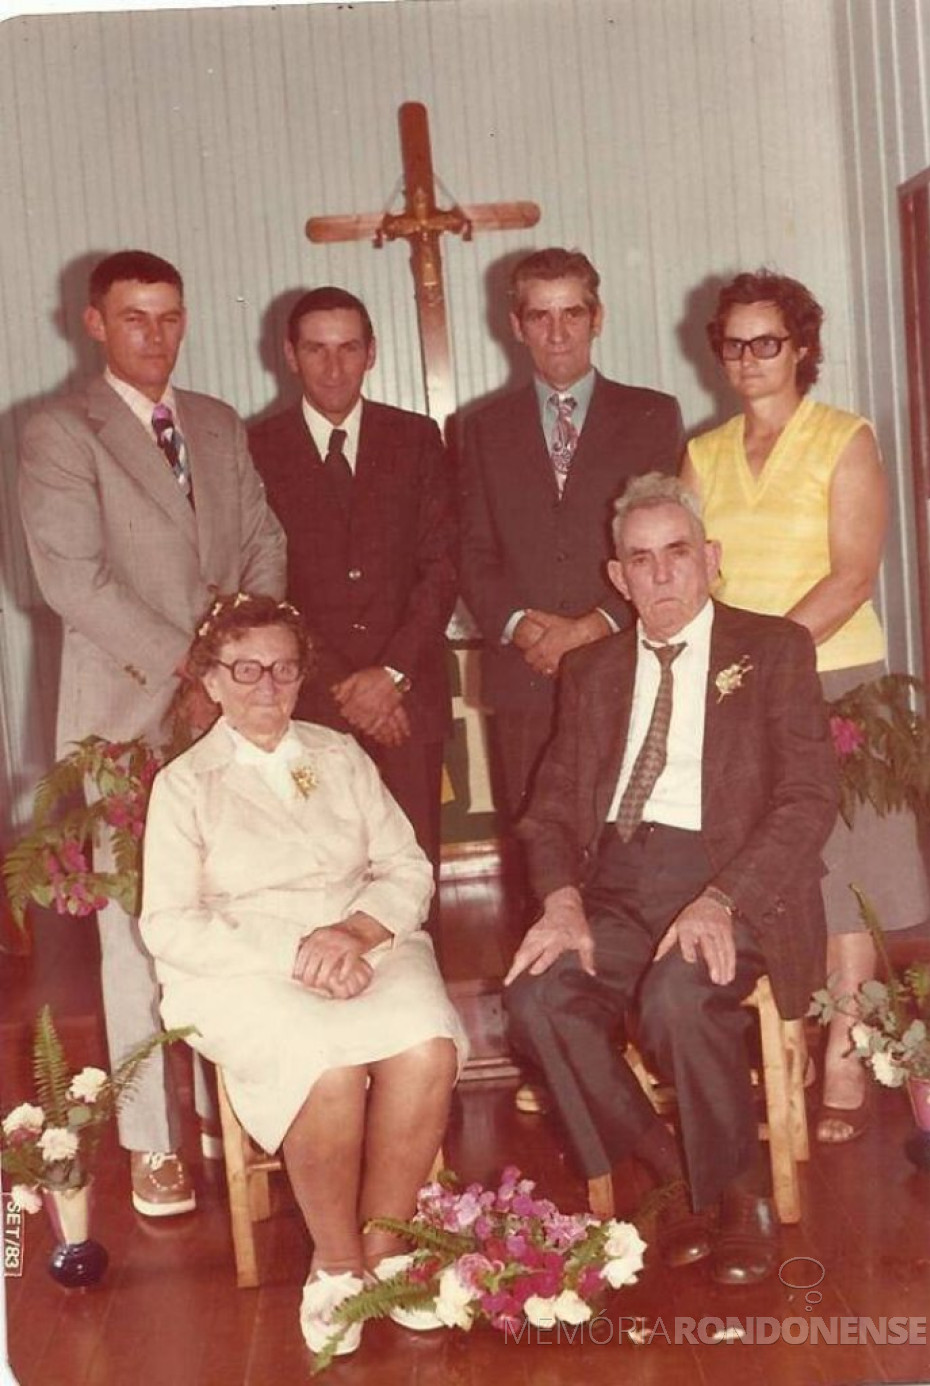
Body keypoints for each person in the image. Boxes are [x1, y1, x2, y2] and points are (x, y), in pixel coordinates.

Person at [504, 474, 838, 1285]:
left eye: (677, 554)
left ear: (710, 560)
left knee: (678, 995)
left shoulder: (773, 650)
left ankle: (738, 1191)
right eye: (640, 560)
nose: (659, 576)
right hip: (614, 884)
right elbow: (547, 811)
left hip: (733, 878)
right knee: (537, 997)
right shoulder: (591, 670)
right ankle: (676, 1171)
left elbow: (808, 797)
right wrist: (561, 901)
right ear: (616, 577)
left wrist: (722, 898)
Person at [18, 250, 286, 1217]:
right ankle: (151, 1147)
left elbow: (263, 540)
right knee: (137, 934)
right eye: (134, 318)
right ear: (94, 324)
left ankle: (244, 1112)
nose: (155, 335)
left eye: (169, 317)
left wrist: (243, 665)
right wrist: (197, 668)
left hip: (231, 710)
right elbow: (73, 582)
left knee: (244, 908)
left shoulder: (213, 423)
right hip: (126, 720)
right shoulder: (58, 432)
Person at [139, 592, 467, 1356]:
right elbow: (169, 925)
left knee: (428, 1047)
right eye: (245, 670)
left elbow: (406, 866)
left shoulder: (339, 754)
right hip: (246, 968)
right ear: (210, 680)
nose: (266, 689)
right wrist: (296, 955)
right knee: (321, 1067)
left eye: (284, 671)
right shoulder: (185, 787)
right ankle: (338, 1266)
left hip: (368, 947)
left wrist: (354, 931)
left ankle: (388, 1252)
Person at [683, 270, 930, 1144]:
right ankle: (782, 1045)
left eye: (769, 343)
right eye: (735, 344)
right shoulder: (703, 453)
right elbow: (691, 572)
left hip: (834, 675)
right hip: (738, 684)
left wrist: (767, 657)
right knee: (775, 866)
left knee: (852, 864)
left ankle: (846, 1053)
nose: (750, 360)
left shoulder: (844, 437)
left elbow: (854, 572)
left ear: (802, 349)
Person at [459, 247, 685, 825]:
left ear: (597, 317)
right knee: (539, 842)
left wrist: (592, 627)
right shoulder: (481, 429)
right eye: (540, 316)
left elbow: (662, 551)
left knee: (628, 841)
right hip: (524, 675)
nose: (557, 332)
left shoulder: (651, 415)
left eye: (572, 314)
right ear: (515, 325)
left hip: (623, 663)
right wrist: (526, 628)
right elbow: (472, 552)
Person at [249, 287, 457, 878]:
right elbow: (266, 587)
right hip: (306, 700)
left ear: (372, 352)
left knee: (413, 874)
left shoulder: (416, 439)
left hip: (407, 698)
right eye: (316, 349)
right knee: (322, 875)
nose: (333, 366)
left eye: (348, 348)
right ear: (290, 356)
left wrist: (390, 675)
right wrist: (346, 685)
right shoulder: (257, 448)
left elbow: (442, 566)